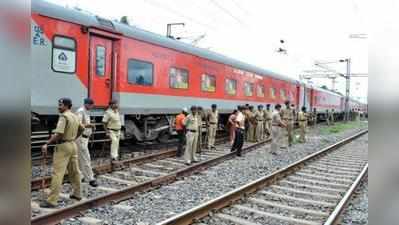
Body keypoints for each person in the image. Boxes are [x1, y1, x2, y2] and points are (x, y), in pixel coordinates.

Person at [40, 98, 84, 208]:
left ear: (66, 106)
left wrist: (47, 143)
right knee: (75, 172)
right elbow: (82, 129)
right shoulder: (74, 116)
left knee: (57, 174)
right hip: (73, 145)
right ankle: (77, 194)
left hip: (63, 147)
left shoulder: (64, 116)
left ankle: (52, 201)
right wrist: (73, 138)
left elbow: (58, 134)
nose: (58, 107)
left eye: (60, 105)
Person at [75, 98, 98, 187]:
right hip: (81, 138)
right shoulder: (81, 111)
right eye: (92, 105)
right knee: (86, 158)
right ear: (88, 104)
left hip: (84, 138)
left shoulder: (85, 111)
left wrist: (90, 125)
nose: (92, 107)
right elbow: (78, 125)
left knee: (80, 159)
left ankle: (81, 177)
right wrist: (90, 125)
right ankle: (91, 179)